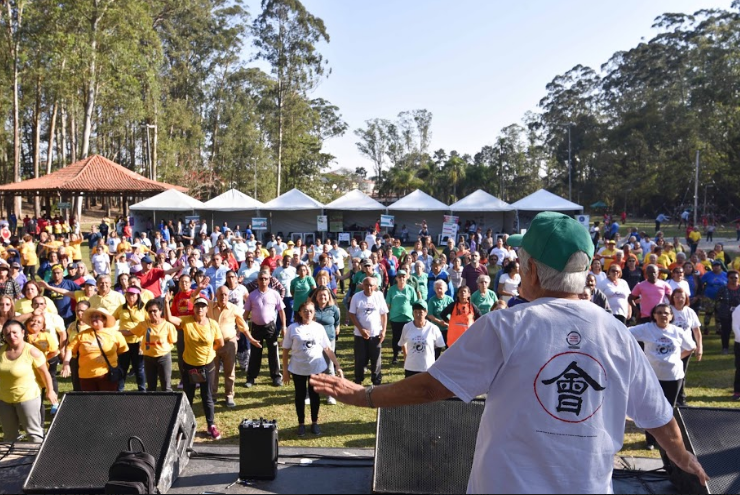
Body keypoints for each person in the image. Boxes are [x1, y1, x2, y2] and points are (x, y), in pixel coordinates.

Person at [309, 211, 708, 493]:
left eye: (521, 260)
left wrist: (364, 396)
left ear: (532, 271)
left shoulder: (506, 325)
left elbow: (433, 388)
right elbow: (658, 415)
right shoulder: (618, 334)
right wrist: (679, 454)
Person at [629, 304, 696, 449]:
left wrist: (677, 358)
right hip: (652, 377)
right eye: (659, 313)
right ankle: (651, 440)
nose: (663, 315)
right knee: (650, 408)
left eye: (666, 313)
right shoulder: (646, 328)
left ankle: (665, 440)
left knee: (668, 409)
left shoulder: (677, 331)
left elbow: (691, 347)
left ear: (671, 316)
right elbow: (625, 333)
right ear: (654, 315)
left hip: (673, 377)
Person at [163, 291, 224, 440]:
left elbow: (220, 343)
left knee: (207, 396)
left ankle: (211, 425)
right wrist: (166, 303)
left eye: (203, 306)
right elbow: (169, 318)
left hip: (207, 365)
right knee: (188, 396)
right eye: (197, 306)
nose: (200, 309)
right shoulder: (186, 321)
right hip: (189, 365)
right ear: (194, 307)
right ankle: (185, 426)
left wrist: (210, 352)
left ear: (207, 309)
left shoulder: (213, 324)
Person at [282, 301, 343, 436]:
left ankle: (315, 422)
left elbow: (327, 348)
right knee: (300, 395)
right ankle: (301, 424)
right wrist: (285, 371)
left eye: (310, 311)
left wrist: (337, 365)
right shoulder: (292, 328)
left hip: (316, 368)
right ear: (300, 313)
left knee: (315, 396)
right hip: (298, 368)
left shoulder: (319, 328)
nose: (308, 313)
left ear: (314, 312)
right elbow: (285, 351)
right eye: (305, 311)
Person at [0, 320, 57, 442]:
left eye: (15, 332)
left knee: (34, 434)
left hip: (27, 398)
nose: (11, 336)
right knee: (9, 436)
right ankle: (11, 461)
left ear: (22, 332)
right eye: (7, 334)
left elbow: (45, 373)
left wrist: (50, 391)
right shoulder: (1, 351)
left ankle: (38, 460)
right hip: (4, 399)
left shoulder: (32, 351)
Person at [207, 285, 260, 407]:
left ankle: (229, 395)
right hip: (213, 344)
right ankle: (213, 395)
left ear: (228, 296)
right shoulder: (209, 306)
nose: (223, 297)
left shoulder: (234, 308)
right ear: (216, 295)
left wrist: (251, 339)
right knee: (213, 371)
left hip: (229, 344)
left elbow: (243, 326)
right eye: (220, 294)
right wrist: (200, 288)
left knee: (229, 371)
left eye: (225, 294)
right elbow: (194, 299)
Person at [62, 307, 128, 392]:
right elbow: (70, 349)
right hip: (86, 376)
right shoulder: (82, 335)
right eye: (92, 317)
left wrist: (108, 357)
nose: (94, 319)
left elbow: (122, 350)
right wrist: (66, 363)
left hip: (107, 375)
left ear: (104, 320)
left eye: (97, 316)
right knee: (90, 403)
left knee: (107, 402)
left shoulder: (115, 334)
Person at [244, 270, 287, 388]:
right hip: (256, 328)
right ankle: (251, 378)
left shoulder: (275, 294)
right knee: (255, 353)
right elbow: (246, 313)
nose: (263, 281)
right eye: (261, 279)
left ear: (269, 280)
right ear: (257, 280)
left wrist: (283, 326)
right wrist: (242, 327)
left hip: (270, 328)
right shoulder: (252, 295)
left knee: (273, 352)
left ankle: (276, 377)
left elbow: (281, 311)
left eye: (265, 279)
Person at [349, 276, 388, 385]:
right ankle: (358, 380)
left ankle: (376, 381)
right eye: (366, 285)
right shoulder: (356, 297)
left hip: (376, 334)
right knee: (360, 359)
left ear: (375, 286)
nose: (369, 288)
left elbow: (383, 314)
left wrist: (384, 330)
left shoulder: (379, 296)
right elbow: (352, 314)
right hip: (360, 335)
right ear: (362, 285)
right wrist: (361, 329)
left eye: (371, 285)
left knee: (376, 359)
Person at [670, 288, 703, 406]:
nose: (679, 300)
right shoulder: (669, 311)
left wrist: (700, 348)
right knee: (670, 374)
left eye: (682, 297)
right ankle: (669, 398)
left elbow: (696, 331)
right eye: (677, 297)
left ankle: (681, 399)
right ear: (672, 298)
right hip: (671, 348)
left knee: (682, 373)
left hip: (686, 349)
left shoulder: (690, 312)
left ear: (686, 299)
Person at [399, 300, 445, 378]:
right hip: (411, 367)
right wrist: (406, 358)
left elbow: (440, 345)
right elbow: (402, 343)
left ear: (426, 312)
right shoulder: (407, 327)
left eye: (420, 312)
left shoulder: (433, 328)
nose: (417, 314)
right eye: (415, 312)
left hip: (427, 367)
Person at [113, 287, 147, 391]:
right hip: (123, 342)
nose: (130, 297)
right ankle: (119, 390)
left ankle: (142, 390)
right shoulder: (121, 308)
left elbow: (149, 323)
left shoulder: (144, 308)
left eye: (133, 295)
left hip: (138, 341)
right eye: (128, 295)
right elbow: (112, 319)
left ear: (138, 296)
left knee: (139, 368)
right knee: (122, 367)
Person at [311, 286, 340, 404]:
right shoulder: (312, 309)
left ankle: (331, 395)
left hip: (329, 341)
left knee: (329, 367)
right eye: (320, 295)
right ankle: (312, 394)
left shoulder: (334, 309)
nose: (322, 297)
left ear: (328, 297)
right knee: (314, 366)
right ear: (316, 297)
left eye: (325, 295)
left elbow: (337, 323)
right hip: (314, 342)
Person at [385, 269, 417, 365]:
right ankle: (395, 355)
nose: (401, 278)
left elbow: (414, 303)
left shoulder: (410, 289)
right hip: (395, 318)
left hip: (407, 317)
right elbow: (388, 304)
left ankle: (409, 356)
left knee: (409, 337)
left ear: (406, 277)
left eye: (403, 276)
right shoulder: (392, 289)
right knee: (396, 337)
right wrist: (386, 316)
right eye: (399, 277)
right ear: (396, 278)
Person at [715, 270, 740, 355]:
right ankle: (725, 347)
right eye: (731, 278)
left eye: (736, 278)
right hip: (725, 313)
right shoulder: (723, 288)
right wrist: (720, 309)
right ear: (728, 278)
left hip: (738, 314)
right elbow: (717, 300)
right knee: (726, 331)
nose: (734, 279)